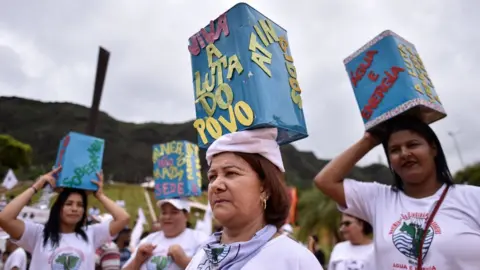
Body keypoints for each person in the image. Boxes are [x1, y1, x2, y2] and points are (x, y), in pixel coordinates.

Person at [315, 115, 480, 269]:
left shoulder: (473, 198)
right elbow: (325, 181)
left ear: (433, 148)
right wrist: (370, 140)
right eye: (394, 150)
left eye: (413, 144)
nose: (404, 154)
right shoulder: (378, 199)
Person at [187, 128, 323, 270]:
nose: (216, 185)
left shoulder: (295, 260)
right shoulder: (201, 256)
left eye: (231, 173)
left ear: (265, 188)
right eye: (212, 176)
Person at [0, 166, 130, 269]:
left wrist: (100, 195)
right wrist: (36, 186)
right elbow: (5, 218)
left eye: (80, 205)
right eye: (69, 204)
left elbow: (123, 218)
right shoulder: (38, 234)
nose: (75, 208)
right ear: (58, 208)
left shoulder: (91, 233)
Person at [123, 199, 208, 270]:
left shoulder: (200, 239)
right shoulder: (149, 239)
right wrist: (138, 260)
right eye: (164, 213)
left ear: (186, 216)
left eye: (174, 212)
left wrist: (184, 260)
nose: (167, 217)